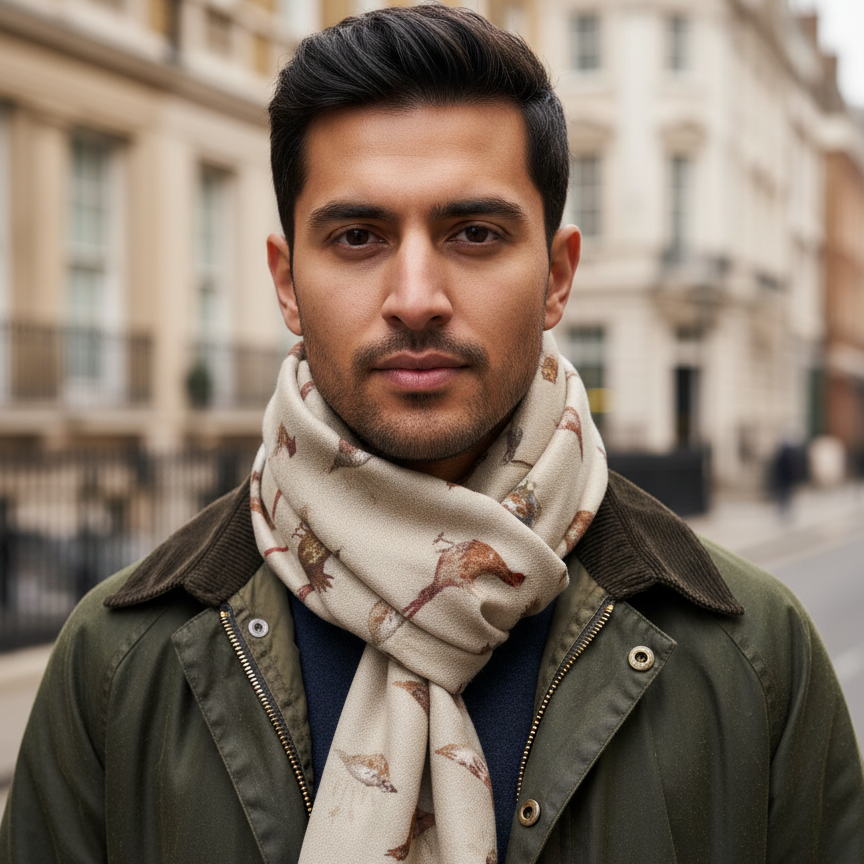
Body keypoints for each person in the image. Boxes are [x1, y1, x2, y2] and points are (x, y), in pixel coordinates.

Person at [2, 6, 863, 863]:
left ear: (558, 277)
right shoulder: (116, 665)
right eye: (358, 236)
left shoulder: (756, 656)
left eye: (475, 234)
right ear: (287, 280)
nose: (416, 295)